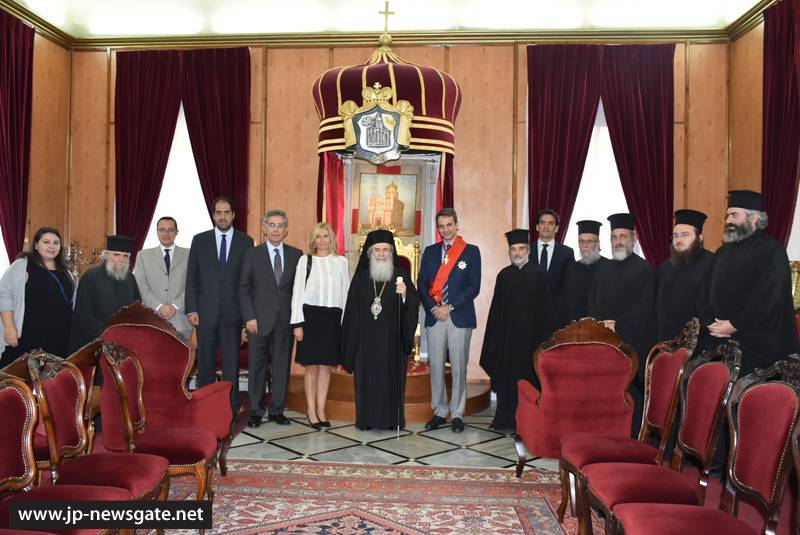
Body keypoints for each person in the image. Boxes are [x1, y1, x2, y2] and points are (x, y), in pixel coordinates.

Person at [702, 190, 799, 374]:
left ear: (754, 218)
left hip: (759, 347)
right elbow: (705, 291)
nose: (728, 220)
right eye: (727, 215)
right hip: (720, 341)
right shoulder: (722, 252)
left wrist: (734, 324)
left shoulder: (773, 251)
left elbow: (769, 300)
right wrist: (711, 323)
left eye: (734, 215)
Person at [479, 229, 555, 433]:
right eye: (513, 249)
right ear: (509, 251)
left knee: (529, 384)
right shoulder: (504, 276)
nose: (517, 253)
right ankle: (505, 420)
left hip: (532, 343)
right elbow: (495, 312)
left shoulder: (539, 275)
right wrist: (494, 341)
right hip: (508, 343)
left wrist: (545, 343)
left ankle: (529, 422)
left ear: (528, 250)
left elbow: (547, 312)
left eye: (521, 248)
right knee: (507, 382)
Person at [342, 229, 419, 430]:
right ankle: (366, 420)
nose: (382, 254)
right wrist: (352, 343)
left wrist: (405, 296)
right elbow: (351, 312)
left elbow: (413, 304)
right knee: (366, 382)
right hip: (365, 343)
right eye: (377, 250)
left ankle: (392, 421)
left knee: (390, 382)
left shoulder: (400, 276)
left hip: (391, 342)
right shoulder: (360, 280)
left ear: (391, 252)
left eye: (386, 250)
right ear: (370, 253)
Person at [587, 213, 656, 434]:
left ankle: (632, 437)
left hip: (632, 344)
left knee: (630, 396)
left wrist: (618, 324)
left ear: (633, 239)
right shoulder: (603, 269)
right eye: (614, 236)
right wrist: (600, 323)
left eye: (623, 236)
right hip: (605, 343)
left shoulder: (645, 270)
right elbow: (592, 303)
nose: (618, 241)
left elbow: (645, 309)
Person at [186, 196, 254, 412]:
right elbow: (192, 278)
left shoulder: (246, 241)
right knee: (205, 362)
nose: (222, 216)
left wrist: (246, 315)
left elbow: (247, 282)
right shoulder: (199, 240)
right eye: (219, 212)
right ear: (213, 215)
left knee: (231, 363)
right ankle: (205, 405)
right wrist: (192, 308)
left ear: (233, 215)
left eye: (227, 212)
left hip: (233, 313)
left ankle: (231, 405)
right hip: (205, 313)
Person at [418, 208, 481, 433]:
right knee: (435, 365)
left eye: (449, 225)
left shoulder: (471, 252)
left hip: (459, 316)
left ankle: (457, 413)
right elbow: (422, 283)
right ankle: (440, 410)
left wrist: (449, 306)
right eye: (441, 226)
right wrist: (434, 307)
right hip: (435, 316)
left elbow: (474, 286)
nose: (445, 230)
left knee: (458, 367)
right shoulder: (431, 251)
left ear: (456, 225)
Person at [239, 209, 301, 428]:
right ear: (264, 228)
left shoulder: (297, 255)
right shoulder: (252, 254)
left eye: (280, 225)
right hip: (258, 322)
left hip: (285, 322)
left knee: (281, 367)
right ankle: (255, 411)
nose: (275, 229)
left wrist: (297, 321)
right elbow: (244, 289)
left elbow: (299, 291)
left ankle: (276, 410)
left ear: (286, 230)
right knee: (257, 367)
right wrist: (249, 318)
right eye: (271, 225)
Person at [290, 222, 349, 429]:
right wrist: (297, 323)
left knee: (326, 368)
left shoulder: (341, 262)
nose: (322, 240)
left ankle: (322, 410)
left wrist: (345, 325)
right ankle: (311, 410)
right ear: (313, 240)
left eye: (326, 236)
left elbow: (345, 294)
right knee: (312, 368)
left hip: (332, 319)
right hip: (310, 319)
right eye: (318, 236)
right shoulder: (304, 261)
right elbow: (297, 294)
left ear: (331, 238)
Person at [0, 227, 75, 367]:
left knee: (52, 381)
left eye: (56, 242)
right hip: (29, 335)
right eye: (46, 242)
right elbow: (4, 295)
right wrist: (9, 327)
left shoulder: (66, 271)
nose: (52, 246)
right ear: (35, 245)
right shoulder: (22, 265)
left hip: (60, 337)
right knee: (18, 379)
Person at [69, 235, 141, 352]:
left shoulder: (130, 278)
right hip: (95, 341)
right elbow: (83, 315)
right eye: (116, 255)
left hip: (124, 341)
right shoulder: (90, 277)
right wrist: (107, 332)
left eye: (125, 256)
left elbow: (136, 308)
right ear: (106, 255)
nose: (121, 259)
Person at [656, 209, 714, 341]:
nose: (679, 240)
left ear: (699, 238)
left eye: (685, 235)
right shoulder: (665, 267)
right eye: (675, 235)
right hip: (667, 341)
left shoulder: (713, 264)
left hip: (701, 343)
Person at [133, 216, 192, 339]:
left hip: (181, 321)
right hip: (152, 320)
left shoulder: (190, 254)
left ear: (177, 232)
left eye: (170, 230)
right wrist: (159, 307)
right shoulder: (143, 255)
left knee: (183, 358)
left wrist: (175, 306)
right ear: (157, 231)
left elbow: (193, 284)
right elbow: (141, 286)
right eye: (162, 230)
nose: (166, 234)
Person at [555, 220, 608, 328]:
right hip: (576, 330)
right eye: (581, 241)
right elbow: (565, 302)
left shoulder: (610, 267)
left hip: (602, 330)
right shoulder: (571, 269)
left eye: (590, 241)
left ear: (598, 243)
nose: (585, 245)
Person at [533, 208, 574, 296]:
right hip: (529, 307)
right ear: (537, 227)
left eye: (550, 223)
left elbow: (570, 285)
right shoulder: (526, 251)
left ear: (556, 228)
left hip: (557, 308)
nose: (546, 226)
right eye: (543, 222)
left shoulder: (567, 253)